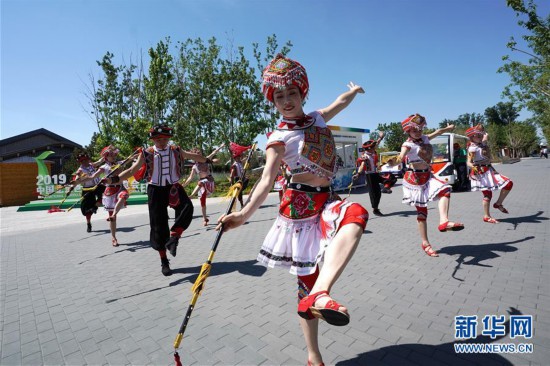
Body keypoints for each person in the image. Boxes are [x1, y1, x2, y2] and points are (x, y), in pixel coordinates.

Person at [217, 54, 369, 366]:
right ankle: (314, 356)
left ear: (302, 93)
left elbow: (338, 103)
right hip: (298, 213)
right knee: (305, 284)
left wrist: (352, 93)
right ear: (273, 100)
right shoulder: (278, 137)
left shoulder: (317, 118)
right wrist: (243, 216)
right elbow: (266, 180)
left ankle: (322, 294)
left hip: (326, 199)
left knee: (356, 215)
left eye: (292, 94)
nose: (286, 101)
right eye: (279, 96)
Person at [104, 125, 212, 276]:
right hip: (155, 189)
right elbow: (132, 170)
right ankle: (164, 261)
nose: (161, 142)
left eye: (164, 139)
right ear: (153, 139)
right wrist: (113, 179)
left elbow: (193, 157)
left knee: (187, 208)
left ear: (168, 139)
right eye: (158, 139)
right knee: (158, 226)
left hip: (173, 186)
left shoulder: (175, 149)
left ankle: (174, 238)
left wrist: (207, 159)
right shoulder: (147, 153)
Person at [388, 114, 464, 257]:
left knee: (446, 190)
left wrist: (447, 128)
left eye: (420, 129)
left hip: (428, 176)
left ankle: (444, 221)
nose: (418, 132)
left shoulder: (425, 138)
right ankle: (425, 243)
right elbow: (400, 157)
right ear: (408, 131)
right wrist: (394, 161)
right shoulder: (407, 144)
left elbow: (438, 132)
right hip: (415, 180)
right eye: (414, 130)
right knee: (422, 213)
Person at [77, 146, 130, 246]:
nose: (113, 156)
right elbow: (92, 176)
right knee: (112, 218)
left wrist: (140, 153)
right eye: (110, 155)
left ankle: (114, 214)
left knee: (124, 195)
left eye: (114, 154)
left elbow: (130, 159)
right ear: (106, 157)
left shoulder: (119, 163)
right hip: (110, 190)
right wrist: (79, 181)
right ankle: (113, 237)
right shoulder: (103, 167)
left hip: (120, 188)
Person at [466, 124, 513, 224]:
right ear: (472, 137)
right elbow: (468, 162)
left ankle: (498, 203)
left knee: (508, 183)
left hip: (490, 170)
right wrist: (473, 167)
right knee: (488, 194)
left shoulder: (481, 143)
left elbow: (484, 139)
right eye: (477, 135)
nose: (480, 137)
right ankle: (486, 216)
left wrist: (484, 136)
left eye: (480, 135)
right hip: (481, 173)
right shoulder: (472, 148)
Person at [183, 144, 225, 226]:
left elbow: (214, 152)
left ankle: (191, 196)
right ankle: (205, 219)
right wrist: (183, 185)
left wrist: (220, 147)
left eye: (199, 154)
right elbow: (190, 178)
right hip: (202, 186)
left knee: (201, 182)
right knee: (202, 202)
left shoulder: (206, 160)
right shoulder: (194, 167)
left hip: (209, 182)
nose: (198, 156)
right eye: (196, 155)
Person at [353, 131, 386, 215]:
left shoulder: (373, 152)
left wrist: (381, 137)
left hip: (375, 173)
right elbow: (362, 166)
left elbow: (376, 143)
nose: (375, 148)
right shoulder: (365, 156)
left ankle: (387, 187)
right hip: (370, 175)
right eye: (373, 147)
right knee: (374, 193)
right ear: (369, 148)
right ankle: (375, 209)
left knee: (389, 178)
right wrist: (358, 174)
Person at [72, 152, 105, 232]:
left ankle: (94, 207)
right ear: (80, 162)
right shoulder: (80, 170)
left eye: (86, 159)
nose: (85, 161)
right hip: (87, 189)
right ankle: (88, 224)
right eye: (82, 161)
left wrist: (106, 154)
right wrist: (75, 181)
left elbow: (100, 161)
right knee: (87, 210)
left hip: (97, 186)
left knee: (104, 197)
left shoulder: (91, 165)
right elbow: (77, 178)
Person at [228, 143, 251, 209]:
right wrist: (232, 184)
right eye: (237, 157)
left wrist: (248, 156)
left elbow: (244, 160)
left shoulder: (240, 162)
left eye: (239, 157)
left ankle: (241, 202)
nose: (239, 158)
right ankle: (241, 204)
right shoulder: (234, 165)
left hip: (242, 178)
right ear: (235, 158)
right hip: (237, 179)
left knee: (247, 180)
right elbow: (231, 175)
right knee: (239, 193)